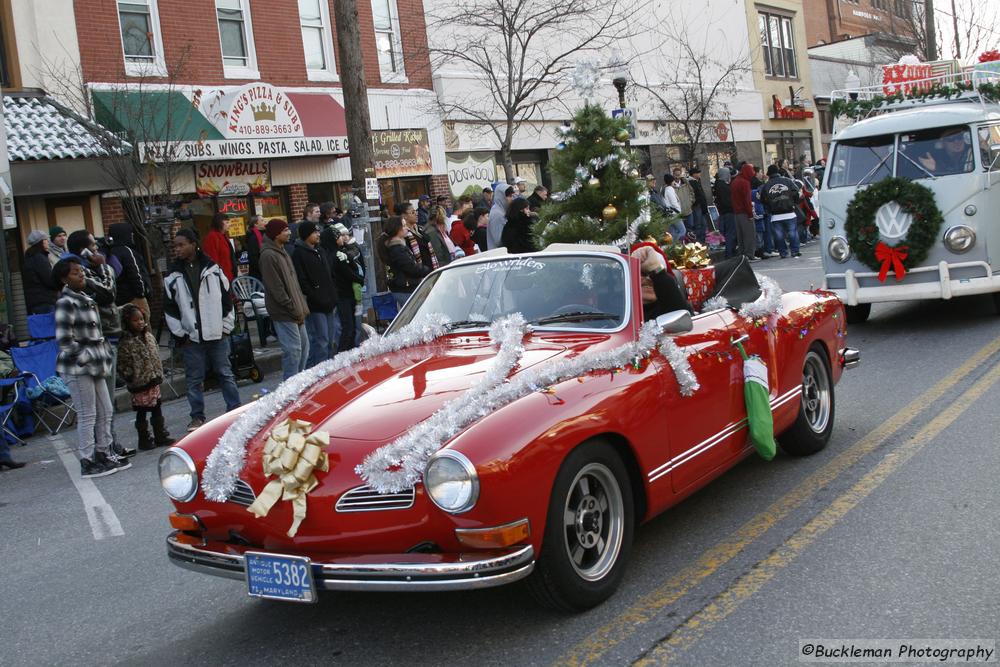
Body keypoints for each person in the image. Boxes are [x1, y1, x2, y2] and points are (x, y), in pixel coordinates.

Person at [53, 257, 128, 478]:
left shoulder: (85, 298)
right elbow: (64, 340)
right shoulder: (65, 303)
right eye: (76, 273)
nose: (81, 275)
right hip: (78, 366)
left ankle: (104, 451)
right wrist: (86, 357)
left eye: (81, 271)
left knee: (106, 409)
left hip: (96, 363)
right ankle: (86, 459)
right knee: (87, 413)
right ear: (65, 279)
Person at [163, 228, 241, 431]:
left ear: (193, 244)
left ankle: (235, 409)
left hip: (216, 331)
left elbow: (227, 300)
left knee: (225, 373)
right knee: (194, 379)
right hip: (191, 336)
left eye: (181, 244)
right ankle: (197, 416)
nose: (177, 249)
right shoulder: (172, 275)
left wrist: (226, 326)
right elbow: (170, 309)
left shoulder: (213, 268)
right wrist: (181, 334)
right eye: (175, 246)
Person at [67, 230, 134, 459]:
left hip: (105, 338)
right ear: (83, 250)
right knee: (101, 405)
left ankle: (107, 445)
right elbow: (108, 292)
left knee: (106, 402)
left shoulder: (86, 270)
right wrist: (104, 266)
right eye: (93, 246)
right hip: (97, 343)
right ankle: (105, 447)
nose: (97, 250)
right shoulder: (80, 272)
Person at [116, 304, 174, 450]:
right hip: (139, 383)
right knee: (141, 411)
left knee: (157, 407)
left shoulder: (148, 336)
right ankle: (144, 438)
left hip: (153, 379)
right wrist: (130, 376)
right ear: (128, 322)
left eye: (141, 319)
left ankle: (160, 434)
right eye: (136, 320)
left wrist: (158, 372)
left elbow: (155, 355)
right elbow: (122, 363)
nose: (140, 322)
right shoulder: (126, 342)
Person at [260, 219, 310, 380]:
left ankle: (298, 385)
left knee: (304, 348)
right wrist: (291, 306)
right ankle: (290, 390)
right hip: (284, 311)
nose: (289, 233)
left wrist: (301, 305)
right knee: (293, 351)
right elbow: (276, 288)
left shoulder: (282, 251)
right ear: (276, 234)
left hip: (296, 309)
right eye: (285, 230)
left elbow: (293, 284)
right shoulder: (268, 255)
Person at [292, 220, 337, 367]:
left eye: (318, 232)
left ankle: (329, 371)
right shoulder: (298, 253)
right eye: (314, 232)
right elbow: (302, 280)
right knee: (321, 340)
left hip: (329, 301)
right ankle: (318, 373)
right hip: (315, 304)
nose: (318, 235)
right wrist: (314, 295)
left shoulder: (320, 250)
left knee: (330, 340)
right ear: (306, 235)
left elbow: (329, 274)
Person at [379, 216, 430, 309]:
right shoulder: (396, 249)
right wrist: (427, 270)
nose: (406, 228)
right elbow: (410, 267)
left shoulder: (399, 245)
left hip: (405, 287)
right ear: (396, 229)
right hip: (405, 288)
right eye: (403, 225)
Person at [630, 244, 691, 321]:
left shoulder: (674, 304)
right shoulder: (622, 310)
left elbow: (683, 319)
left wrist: (657, 273)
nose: (649, 279)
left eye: (653, 274)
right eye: (643, 273)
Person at [328, 223, 364, 353]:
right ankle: (342, 354)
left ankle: (351, 351)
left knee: (353, 326)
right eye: (339, 236)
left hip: (351, 294)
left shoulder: (345, 251)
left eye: (344, 235)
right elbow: (349, 272)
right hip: (342, 295)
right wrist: (360, 279)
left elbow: (355, 266)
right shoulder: (335, 255)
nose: (343, 238)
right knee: (347, 327)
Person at [107, 222, 152, 319]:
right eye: (130, 233)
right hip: (134, 297)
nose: (132, 236)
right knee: (143, 325)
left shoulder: (110, 252)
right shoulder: (127, 251)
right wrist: (142, 293)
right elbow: (135, 274)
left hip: (118, 299)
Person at [761, 164, 802, 259]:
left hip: (775, 215)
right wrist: (794, 203)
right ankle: (795, 251)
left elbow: (763, 199)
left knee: (779, 235)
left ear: (769, 174)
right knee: (793, 233)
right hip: (790, 212)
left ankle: (783, 253)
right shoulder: (787, 181)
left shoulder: (766, 185)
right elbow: (796, 192)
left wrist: (769, 208)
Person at [22, 230, 58, 314]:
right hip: (45, 301)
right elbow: (49, 280)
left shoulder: (29, 257)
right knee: (49, 325)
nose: (48, 242)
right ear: (40, 242)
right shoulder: (39, 258)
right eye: (45, 239)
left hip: (35, 301)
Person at [397, 201, 437, 270]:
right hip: (420, 271)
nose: (416, 214)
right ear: (404, 216)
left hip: (431, 267)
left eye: (416, 211)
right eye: (412, 212)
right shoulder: (404, 235)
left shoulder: (420, 229)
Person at [731, 163, 758, 262]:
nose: (753, 173)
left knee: (741, 235)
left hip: (737, 213)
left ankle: (742, 255)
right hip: (745, 212)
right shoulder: (745, 182)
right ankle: (749, 255)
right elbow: (747, 200)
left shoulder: (735, 181)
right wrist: (750, 214)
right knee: (749, 234)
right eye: (752, 170)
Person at [203, 213, 236, 283]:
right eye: (227, 222)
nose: (229, 224)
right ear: (219, 223)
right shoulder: (212, 237)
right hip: (221, 277)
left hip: (228, 275)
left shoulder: (223, 236)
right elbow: (212, 260)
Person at [712, 167, 737, 258]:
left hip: (724, 212)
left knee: (728, 233)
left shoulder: (718, 185)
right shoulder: (723, 186)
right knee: (730, 233)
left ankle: (730, 252)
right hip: (728, 212)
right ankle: (730, 253)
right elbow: (727, 201)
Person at [486, 183, 514, 250]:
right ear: (501, 197)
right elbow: (499, 240)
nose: (512, 199)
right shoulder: (497, 214)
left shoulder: (502, 210)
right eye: (509, 196)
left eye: (512, 196)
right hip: (499, 255)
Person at [688, 167, 710, 243]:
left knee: (703, 225)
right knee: (698, 225)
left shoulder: (697, 181)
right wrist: (697, 202)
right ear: (694, 174)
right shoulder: (691, 182)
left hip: (701, 206)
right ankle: (699, 242)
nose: (699, 174)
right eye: (698, 173)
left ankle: (703, 241)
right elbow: (695, 195)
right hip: (697, 206)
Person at [671, 167, 694, 237]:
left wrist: (691, 202)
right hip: (679, 213)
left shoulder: (686, 183)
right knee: (681, 232)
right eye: (675, 175)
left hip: (688, 210)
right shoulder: (670, 186)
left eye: (678, 175)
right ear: (673, 175)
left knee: (690, 229)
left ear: (681, 174)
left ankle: (690, 246)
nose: (677, 177)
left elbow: (692, 192)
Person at [244, 214, 267, 280]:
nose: (265, 222)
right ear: (256, 224)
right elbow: (253, 257)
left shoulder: (265, 234)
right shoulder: (253, 237)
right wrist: (263, 269)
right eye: (262, 220)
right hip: (258, 273)